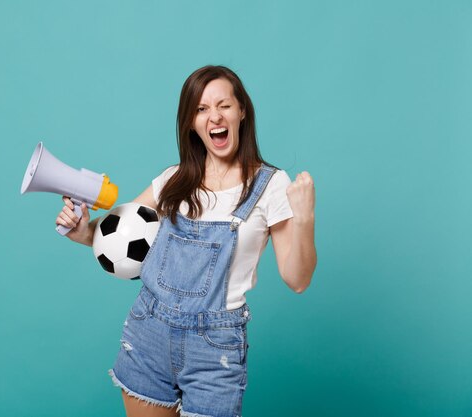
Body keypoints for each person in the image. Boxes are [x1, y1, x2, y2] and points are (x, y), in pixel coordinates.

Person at [56, 65, 317, 417]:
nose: (214, 117)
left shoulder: (270, 185)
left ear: (242, 111)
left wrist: (304, 218)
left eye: (223, 105)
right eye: (201, 109)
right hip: (148, 332)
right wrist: (82, 231)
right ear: (191, 123)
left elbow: (297, 279)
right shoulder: (173, 179)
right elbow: (116, 236)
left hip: (215, 348)